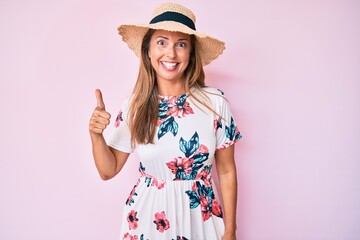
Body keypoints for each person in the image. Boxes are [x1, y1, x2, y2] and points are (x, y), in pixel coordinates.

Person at [89, 3, 242, 240]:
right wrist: (95, 134)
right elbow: (107, 171)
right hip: (147, 220)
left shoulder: (215, 103)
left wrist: (230, 231)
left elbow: (226, 169)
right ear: (148, 50)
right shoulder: (135, 106)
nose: (170, 54)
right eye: (161, 42)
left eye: (181, 44)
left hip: (201, 220)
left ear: (191, 54)